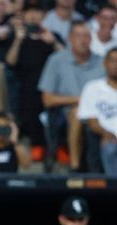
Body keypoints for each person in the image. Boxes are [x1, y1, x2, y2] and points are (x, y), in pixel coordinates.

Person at [37, 21, 104, 171]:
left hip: (100, 112)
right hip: (63, 114)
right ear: (70, 39)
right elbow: (47, 100)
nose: (83, 40)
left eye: (87, 36)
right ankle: (75, 167)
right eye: (78, 35)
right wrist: (81, 100)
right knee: (77, 112)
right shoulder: (56, 60)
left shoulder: (102, 63)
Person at [5, 2, 61, 162]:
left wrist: (53, 42)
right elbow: (10, 61)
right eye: (29, 12)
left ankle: (60, 147)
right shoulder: (17, 36)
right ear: (22, 15)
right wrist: (18, 40)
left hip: (53, 86)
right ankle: (37, 145)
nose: (33, 16)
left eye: (37, 11)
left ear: (44, 15)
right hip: (26, 85)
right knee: (29, 95)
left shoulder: (52, 35)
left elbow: (67, 62)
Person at [77, 47, 117, 175]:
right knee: (110, 148)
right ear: (104, 63)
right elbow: (92, 122)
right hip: (107, 138)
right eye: (112, 60)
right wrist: (106, 133)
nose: (115, 65)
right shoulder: (92, 88)